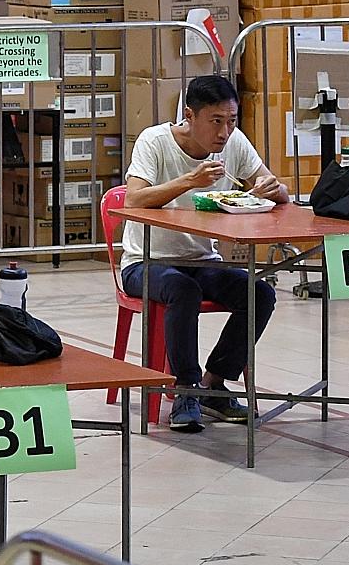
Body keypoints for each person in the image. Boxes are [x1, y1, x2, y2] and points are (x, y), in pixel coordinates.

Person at [121, 74, 288, 433]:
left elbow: (278, 192)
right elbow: (133, 199)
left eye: (231, 121)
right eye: (216, 121)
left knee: (258, 292)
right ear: (189, 116)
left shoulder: (234, 143)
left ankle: (214, 382)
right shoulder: (154, 141)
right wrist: (189, 181)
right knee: (183, 290)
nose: (224, 132)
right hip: (146, 262)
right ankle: (185, 389)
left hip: (202, 260)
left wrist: (272, 188)